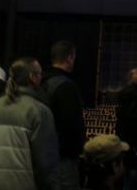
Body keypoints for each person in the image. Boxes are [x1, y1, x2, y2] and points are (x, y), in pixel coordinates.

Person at [0, 57, 59, 190]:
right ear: (32, 77)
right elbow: (46, 164)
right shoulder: (39, 112)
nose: (42, 77)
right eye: (40, 73)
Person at [42, 40, 85, 190]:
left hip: (41, 154)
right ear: (69, 57)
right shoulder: (66, 86)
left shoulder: (41, 82)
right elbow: (72, 125)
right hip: (63, 158)